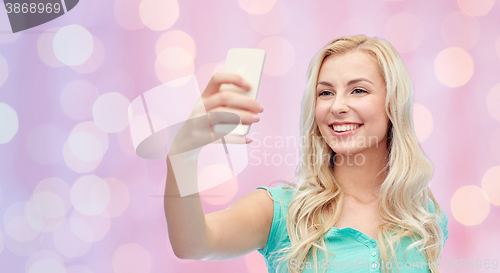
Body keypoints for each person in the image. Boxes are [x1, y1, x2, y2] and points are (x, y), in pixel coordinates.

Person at [164, 35, 449, 273]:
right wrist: (182, 155)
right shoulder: (280, 211)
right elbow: (192, 243)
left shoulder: (424, 218)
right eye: (325, 93)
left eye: (358, 90)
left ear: (393, 104)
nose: (337, 106)